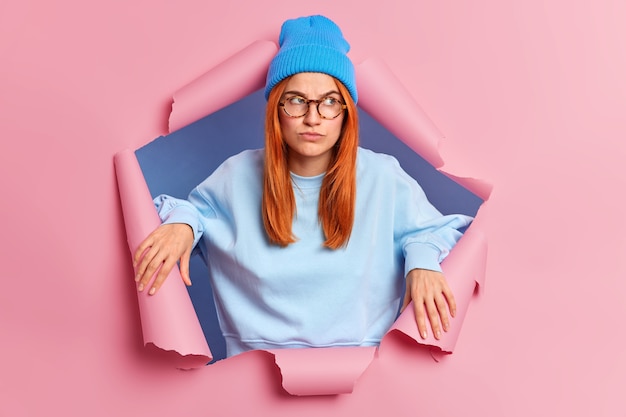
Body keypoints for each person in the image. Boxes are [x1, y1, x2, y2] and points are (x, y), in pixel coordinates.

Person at [133, 15, 473, 358]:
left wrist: (422, 259)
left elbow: (452, 231)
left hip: (361, 382)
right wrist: (183, 222)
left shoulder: (382, 176)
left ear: (345, 113)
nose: (313, 118)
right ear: (276, 109)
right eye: (296, 100)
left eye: (329, 102)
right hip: (251, 381)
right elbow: (185, 215)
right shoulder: (237, 176)